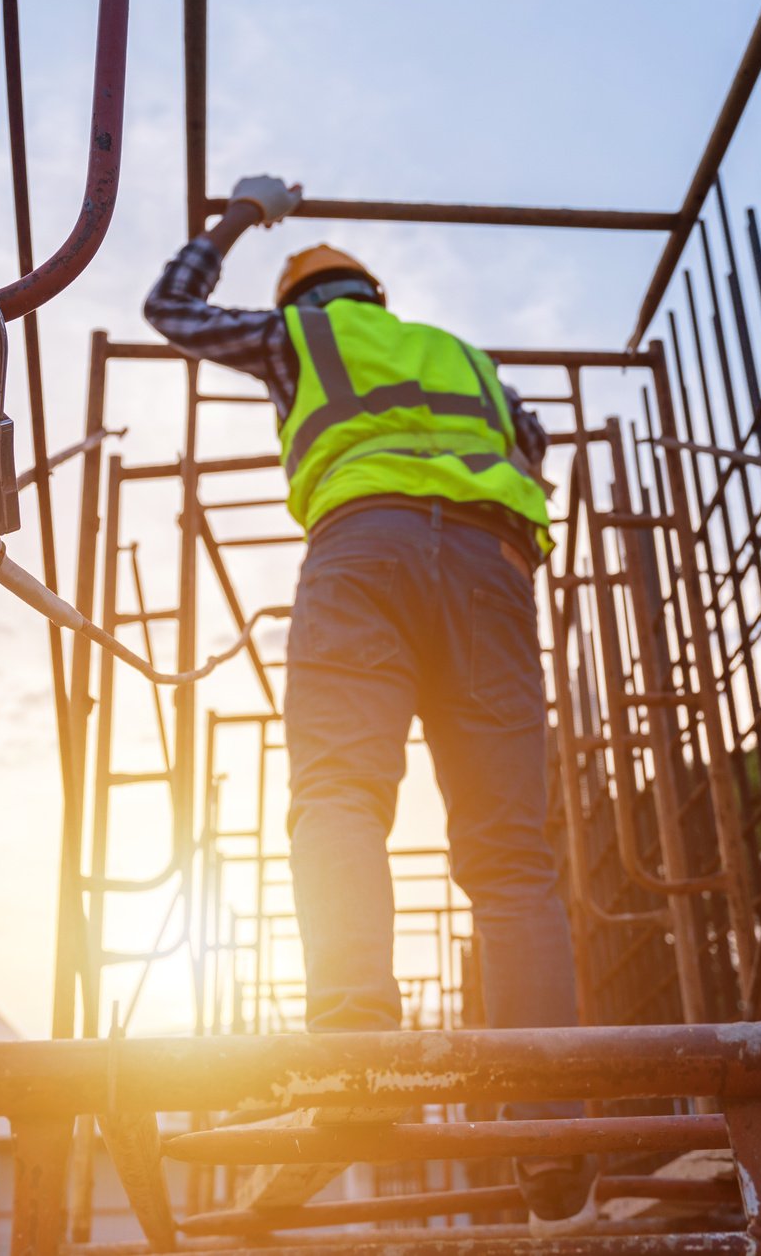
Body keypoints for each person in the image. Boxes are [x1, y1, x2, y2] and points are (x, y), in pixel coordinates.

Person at [144, 174, 595, 1220]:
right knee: (511, 853)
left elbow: (170, 311)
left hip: (364, 551)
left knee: (341, 796)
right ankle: (548, 1126)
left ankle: (352, 1057)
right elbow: (535, 448)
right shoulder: (469, 360)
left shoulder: (304, 339)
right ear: (377, 295)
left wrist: (240, 217)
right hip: (493, 570)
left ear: (305, 302)